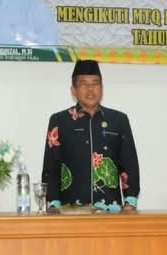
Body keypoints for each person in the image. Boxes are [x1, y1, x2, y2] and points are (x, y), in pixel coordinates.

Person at [41, 60, 140, 212]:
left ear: (102, 88)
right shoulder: (59, 121)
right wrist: (53, 205)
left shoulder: (119, 120)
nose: (90, 89)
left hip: (110, 210)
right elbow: (51, 168)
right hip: (71, 212)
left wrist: (130, 202)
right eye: (84, 84)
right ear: (73, 90)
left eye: (95, 83)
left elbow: (129, 164)